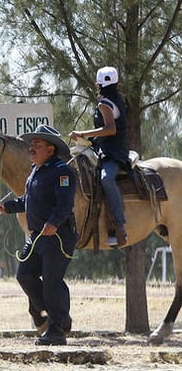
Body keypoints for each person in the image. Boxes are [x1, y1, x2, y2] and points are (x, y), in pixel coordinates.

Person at [0, 124, 77, 346]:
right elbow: (27, 200)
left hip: (58, 236)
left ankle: (57, 331)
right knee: (24, 275)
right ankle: (59, 317)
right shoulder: (35, 172)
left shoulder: (62, 172)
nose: (31, 148)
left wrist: (53, 222)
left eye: (37, 144)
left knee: (52, 282)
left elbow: (65, 203)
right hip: (37, 236)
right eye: (31, 144)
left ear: (50, 149)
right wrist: (10, 207)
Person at [69, 66, 128, 247]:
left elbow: (110, 129)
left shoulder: (105, 103)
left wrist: (83, 133)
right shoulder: (117, 99)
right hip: (104, 149)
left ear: (98, 84)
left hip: (113, 154)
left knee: (106, 179)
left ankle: (119, 226)